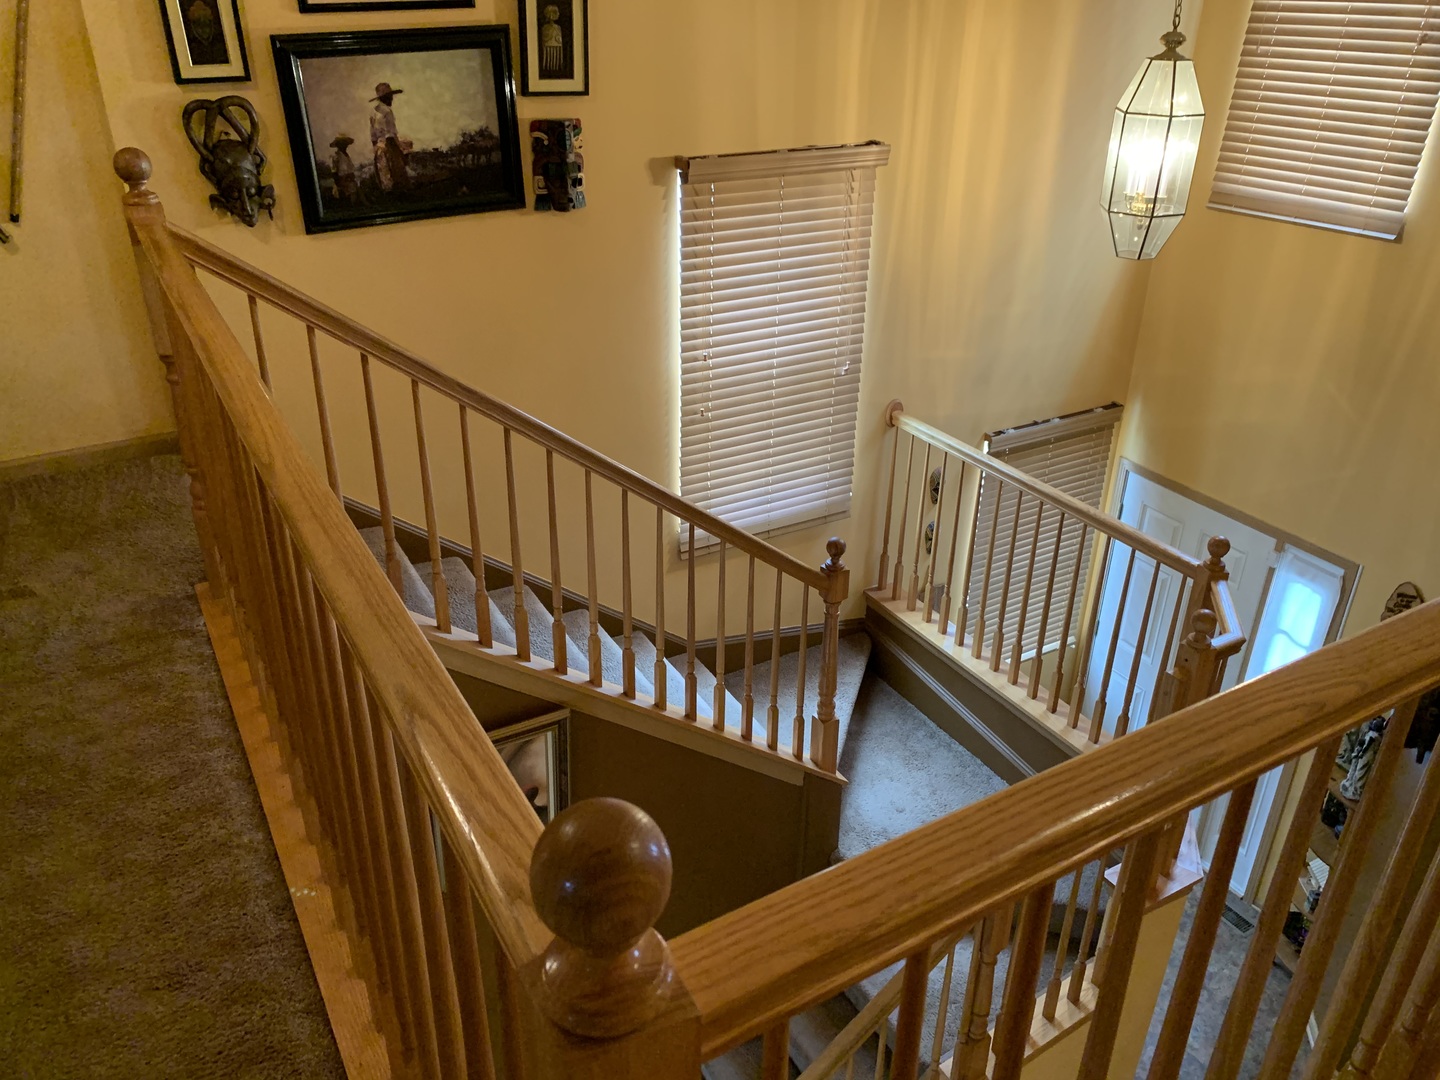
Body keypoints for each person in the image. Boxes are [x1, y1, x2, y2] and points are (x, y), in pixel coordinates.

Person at [368, 82, 410, 194]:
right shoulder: (387, 110)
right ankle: (400, 192)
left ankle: (389, 191)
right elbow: (391, 132)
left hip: (379, 144)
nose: (392, 98)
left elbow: (372, 132)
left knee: (384, 169)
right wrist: (400, 146)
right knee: (396, 167)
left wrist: (375, 147)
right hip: (389, 143)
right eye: (390, 96)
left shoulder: (374, 111)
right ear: (385, 97)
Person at [328, 134, 359, 205]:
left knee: (354, 190)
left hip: (350, 180)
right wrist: (339, 182)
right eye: (342, 143)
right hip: (342, 180)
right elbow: (334, 170)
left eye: (345, 144)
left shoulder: (346, 155)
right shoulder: (336, 156)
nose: (345, 146)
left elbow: (350, 169)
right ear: (338, 145)